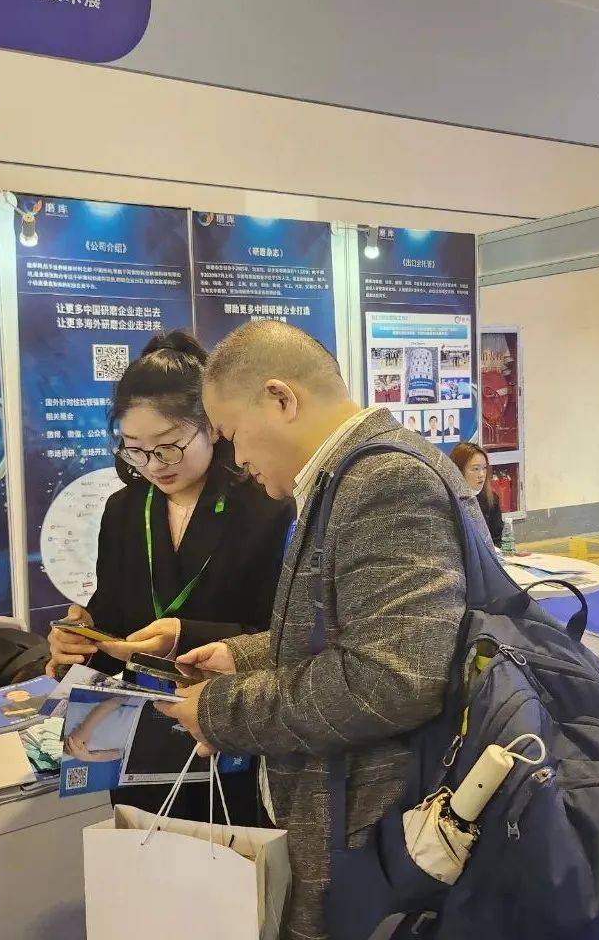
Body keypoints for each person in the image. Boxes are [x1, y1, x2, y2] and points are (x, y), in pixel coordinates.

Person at [156, 321, 496, 940]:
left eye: (232, 434)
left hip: (378, 835)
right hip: (356, 818)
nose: (237, 460)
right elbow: (355, 632)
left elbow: (391, 680)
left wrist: (221, 710)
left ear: (281, 399)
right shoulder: (351, 478)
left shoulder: (383, 481)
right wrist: (243, 657)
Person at [46, 331, 293, 824]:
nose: (153, 466)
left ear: (212, 428)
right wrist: (80, 639)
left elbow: (286, 638)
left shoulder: (266, 504)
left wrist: (187, 635)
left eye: (168, 448)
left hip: (228, 734)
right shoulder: (124, 508)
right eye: (135, 450)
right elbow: (113, 619)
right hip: (141, 744)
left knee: (234, 859)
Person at [450, 441, 504, 547]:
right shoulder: (447, 500)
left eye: (484, 468)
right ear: (458, 470)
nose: (481, 474)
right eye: (475, 469)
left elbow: (497, 538)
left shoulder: (491, 499)